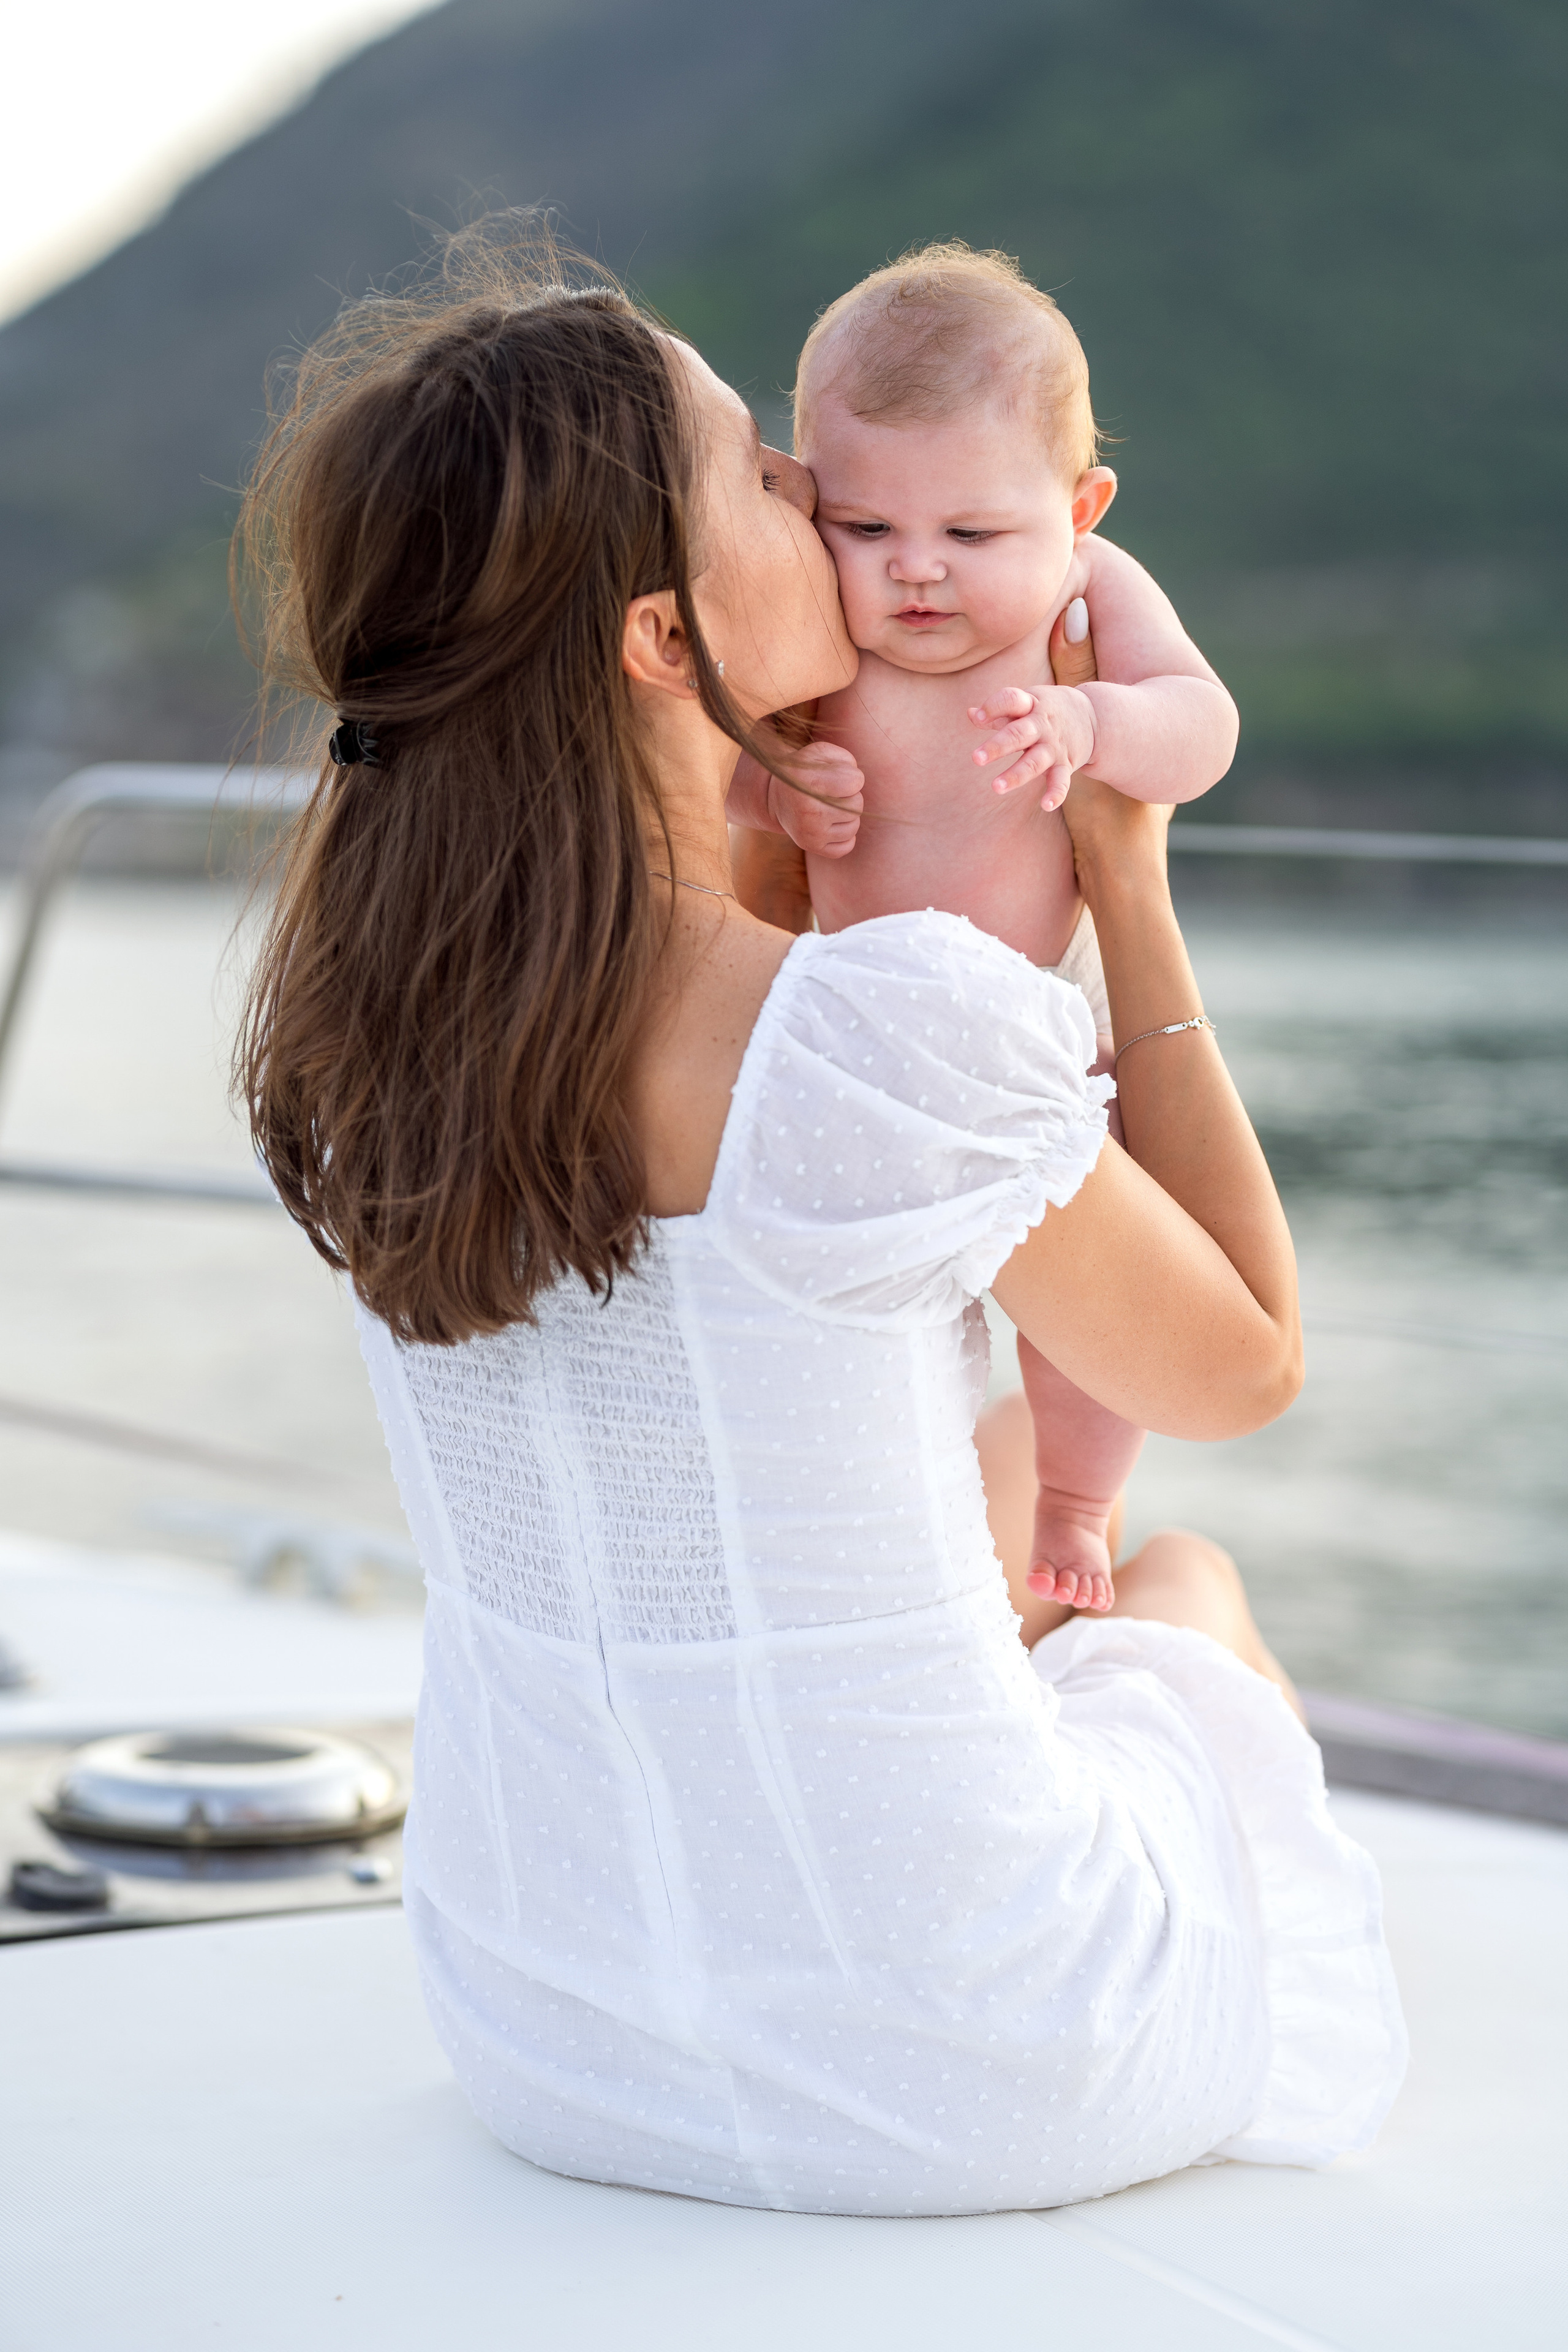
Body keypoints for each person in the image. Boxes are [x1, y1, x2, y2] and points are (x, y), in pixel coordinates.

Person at [236, 227, 1406, 2218]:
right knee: (1181, 1575)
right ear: (665, 643)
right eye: (759, 479)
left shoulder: (363, 1025)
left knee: (999, 1476)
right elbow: (1243, 1363)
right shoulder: (866, 1036)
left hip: (549, 2030)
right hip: (973, 2068)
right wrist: (1130, 884)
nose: (811, 495)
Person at [726, 243, 1238, 1618]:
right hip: (856, 1041)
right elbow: (717, 772)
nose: (914, 577)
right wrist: (774, 780)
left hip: (1037, 1047)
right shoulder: (823, 640)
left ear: (1078, 509)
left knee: (1076, 1337)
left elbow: (1201, 729)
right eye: (863, 528)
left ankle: (1074, 1499)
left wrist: (1094, 723)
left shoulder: (1088, 601)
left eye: (970, 536)